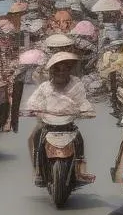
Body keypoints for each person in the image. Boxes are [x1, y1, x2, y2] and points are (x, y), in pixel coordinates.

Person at [22, 52, 95, 187]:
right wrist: (33, 110)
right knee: (35, 137)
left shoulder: (76, 84)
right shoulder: (45, 87)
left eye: (64, 69)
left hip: (68, 123)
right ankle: (38, 171)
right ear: (52, 72)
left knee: (79, 139)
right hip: (47, 123)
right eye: (57, 70)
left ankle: (80, 172)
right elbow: (33, 101)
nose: (61, 73)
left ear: (69, 70)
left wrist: (87, 110)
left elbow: (82, 101)